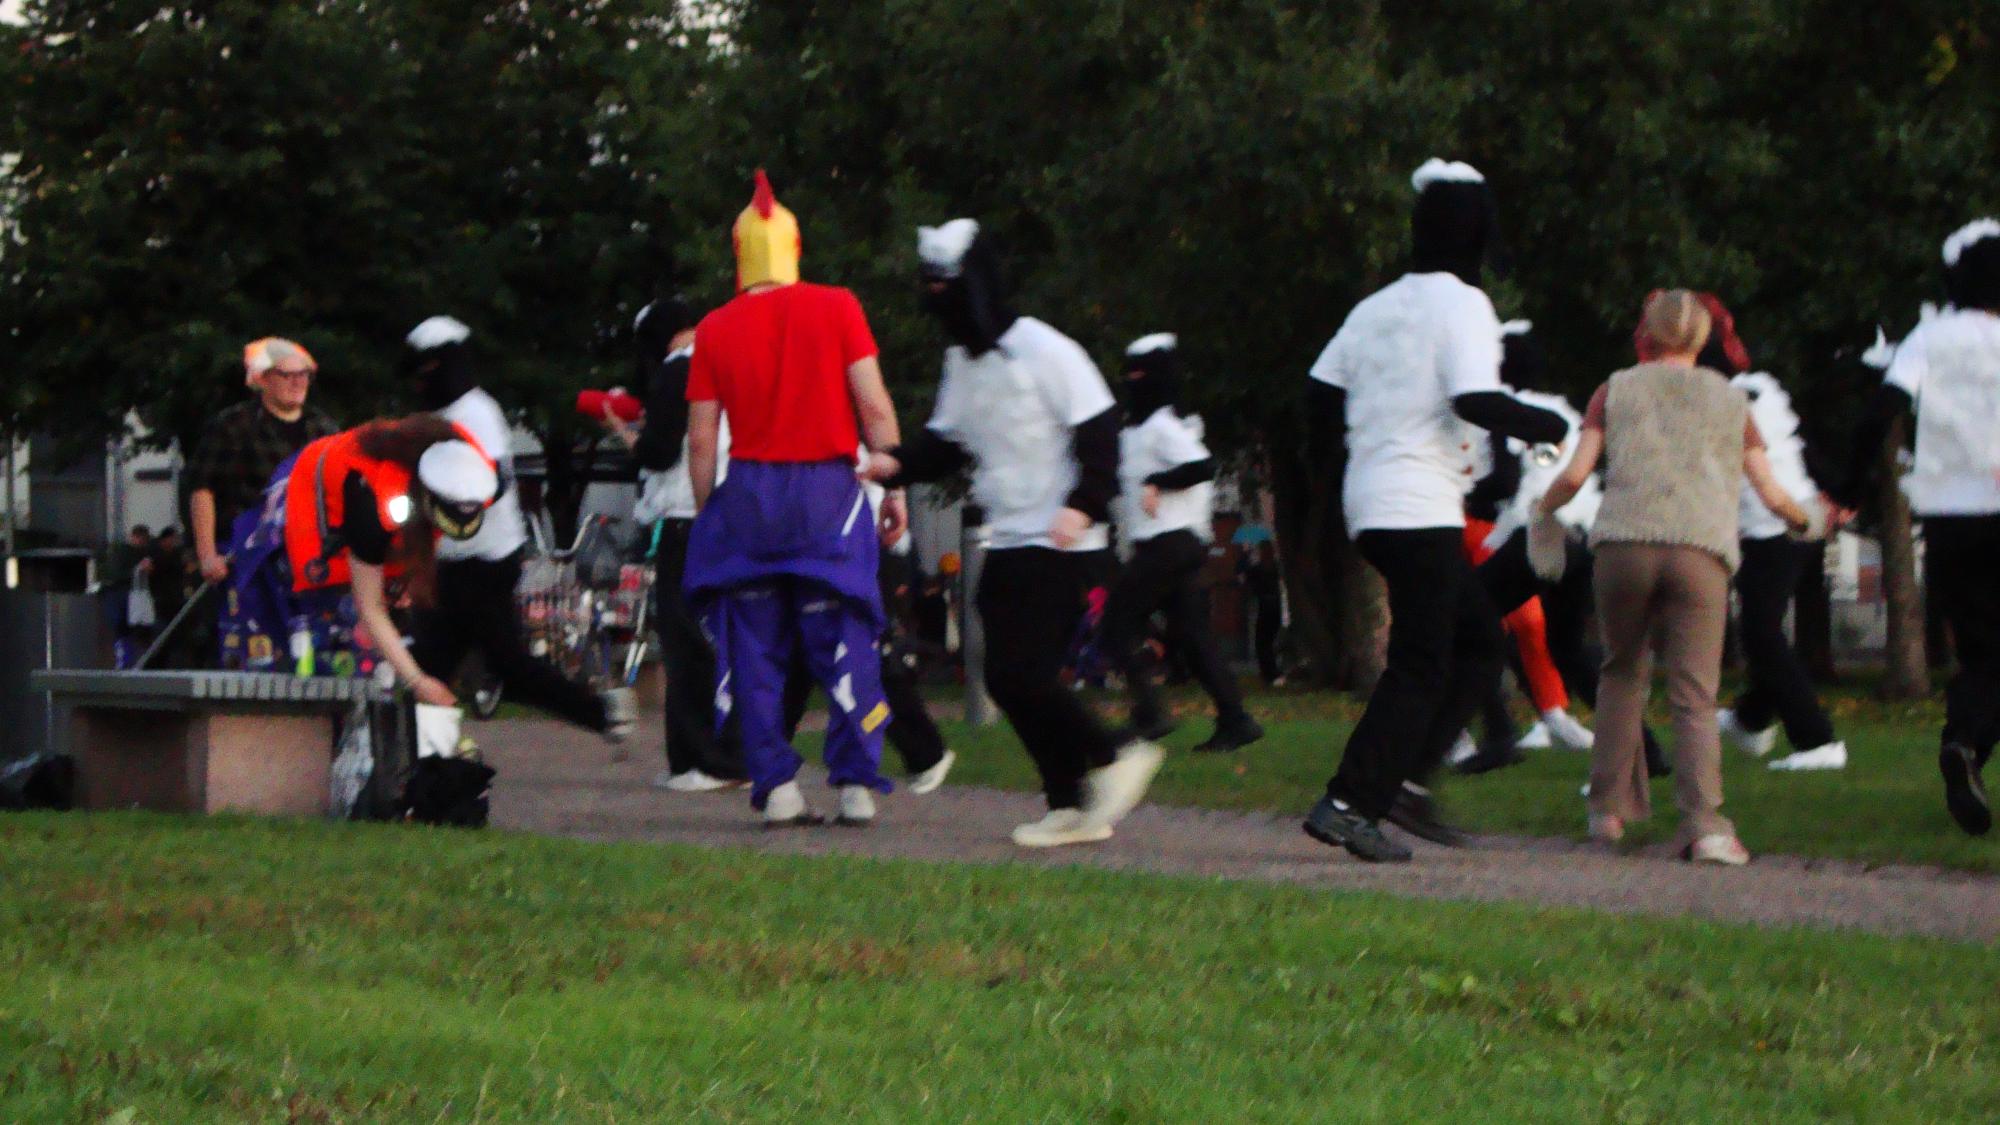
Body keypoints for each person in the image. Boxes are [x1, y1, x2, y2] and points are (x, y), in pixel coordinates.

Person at [1300, 159, 1570, 863]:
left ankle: (1407, 781)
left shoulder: (1375, 306)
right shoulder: (1465, 305)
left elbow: (1320, 392)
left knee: (1479, 638)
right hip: (1418, 500)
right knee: (1424, 659)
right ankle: (1351, 800)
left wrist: (1345, 466)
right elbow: (1475, 399)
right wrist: (1549, 424)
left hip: (1376, 498)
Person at [863, 217, 1163, 848]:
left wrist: (1083, 505)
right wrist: (895, 463)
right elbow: (947, 442)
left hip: (1063, 539)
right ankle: (1069, 804)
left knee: (1023, 672)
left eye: (949, 285)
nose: (939, 301)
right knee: (1003, 676)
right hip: (1008, 536)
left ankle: (1118, 752)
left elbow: (1100, 429)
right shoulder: (961, 363)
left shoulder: (1045, 349)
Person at [1537, 289, 1824, 866]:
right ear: (1702, 340)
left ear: (1645, 332)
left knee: (1621, 673)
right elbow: (1769, 491)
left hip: (1623, 546)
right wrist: (1805, 519)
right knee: (1695, 692)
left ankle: (1607, 810)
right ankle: (1705, 827)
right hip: (1701, 551)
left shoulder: (1613, 390)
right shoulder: (1731, 400)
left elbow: (1573, 475)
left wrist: (1542, 512)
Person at [682, 170, 904, 828]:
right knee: (843, 637)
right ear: (795, 248)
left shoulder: (714, 328)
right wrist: (890, 484)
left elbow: (701, 440)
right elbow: (875, 409)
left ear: (739, 257)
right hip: (827, 494)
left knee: (752, 646)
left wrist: (708, 515)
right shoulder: (837, 307)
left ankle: (777, 786)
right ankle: (856, 783)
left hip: (749, 494)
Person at [1831, 219, 2000, 836]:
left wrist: (1849, 488)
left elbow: (1879, 414)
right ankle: (1967, 746)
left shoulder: (1928, 338)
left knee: (1980, 646)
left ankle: (1965, 746)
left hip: (1951, 510)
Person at [404, 316, 636, 745]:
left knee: (494, 665)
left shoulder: (474, 411)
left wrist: (448, 504)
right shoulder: (439, 414)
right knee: (434, 664)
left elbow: (492, 479)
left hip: (484, 560)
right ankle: (426, 753)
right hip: (456, 561)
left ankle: (601, 712)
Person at [1670, 296, 1846, 772]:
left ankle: (1817, 741)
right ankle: (1751, 721)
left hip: (1771, 527)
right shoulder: (1760, 388)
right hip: (1800, 521)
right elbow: (1800, 446)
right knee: (1761, 632)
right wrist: (1840, 494)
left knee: (1761, 634)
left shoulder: (1714, 400)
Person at [600, 295, 749, 791]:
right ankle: (708, 755)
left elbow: (660, 453)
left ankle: (706, 759)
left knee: (684, 638)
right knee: (722, 637)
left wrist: (622, 431)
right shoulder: (726, 359)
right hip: (734, 508)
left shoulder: (677, 370)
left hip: (689, 514)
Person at [1105, 333, 1264, 752]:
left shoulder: (1163, 427)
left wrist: (1158, 481)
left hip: (1168, 544)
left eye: (1140, 372)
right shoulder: (1140, 429)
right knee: (1194, 639)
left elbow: (1202, 466)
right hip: (1175, 547)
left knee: (1116, 623)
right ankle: (1236, 720)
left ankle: (1149, 712)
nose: (1130, 380)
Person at [283, 414, 501, 707]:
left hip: (405, 503)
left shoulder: (478, 474)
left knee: (404, 597)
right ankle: (333, 707)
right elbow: (370, 608)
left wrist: (407, 578)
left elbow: (428, 537)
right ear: (427, 497)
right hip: (320, 494)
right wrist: (417, 681)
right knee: (348, 618)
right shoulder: (370, 502)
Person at [188, 338, 339, 587]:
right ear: (262, 379)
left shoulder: (325, 430)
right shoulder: (232, 425)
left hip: (310, 555)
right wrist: (207, 556)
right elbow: (203, 488)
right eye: (286, 375)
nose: (298, 382)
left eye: (303, 375)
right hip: (245, 556)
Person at [1239, 539, 1286, 686]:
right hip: (1275, 606)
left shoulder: (1258, 569)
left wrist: (1245, 556)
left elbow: (1245, 580)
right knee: (1269, 641)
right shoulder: (1276, 567)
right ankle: (1272, 672)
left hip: (1265, 606)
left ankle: (1270, 673)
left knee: (1263, 642)